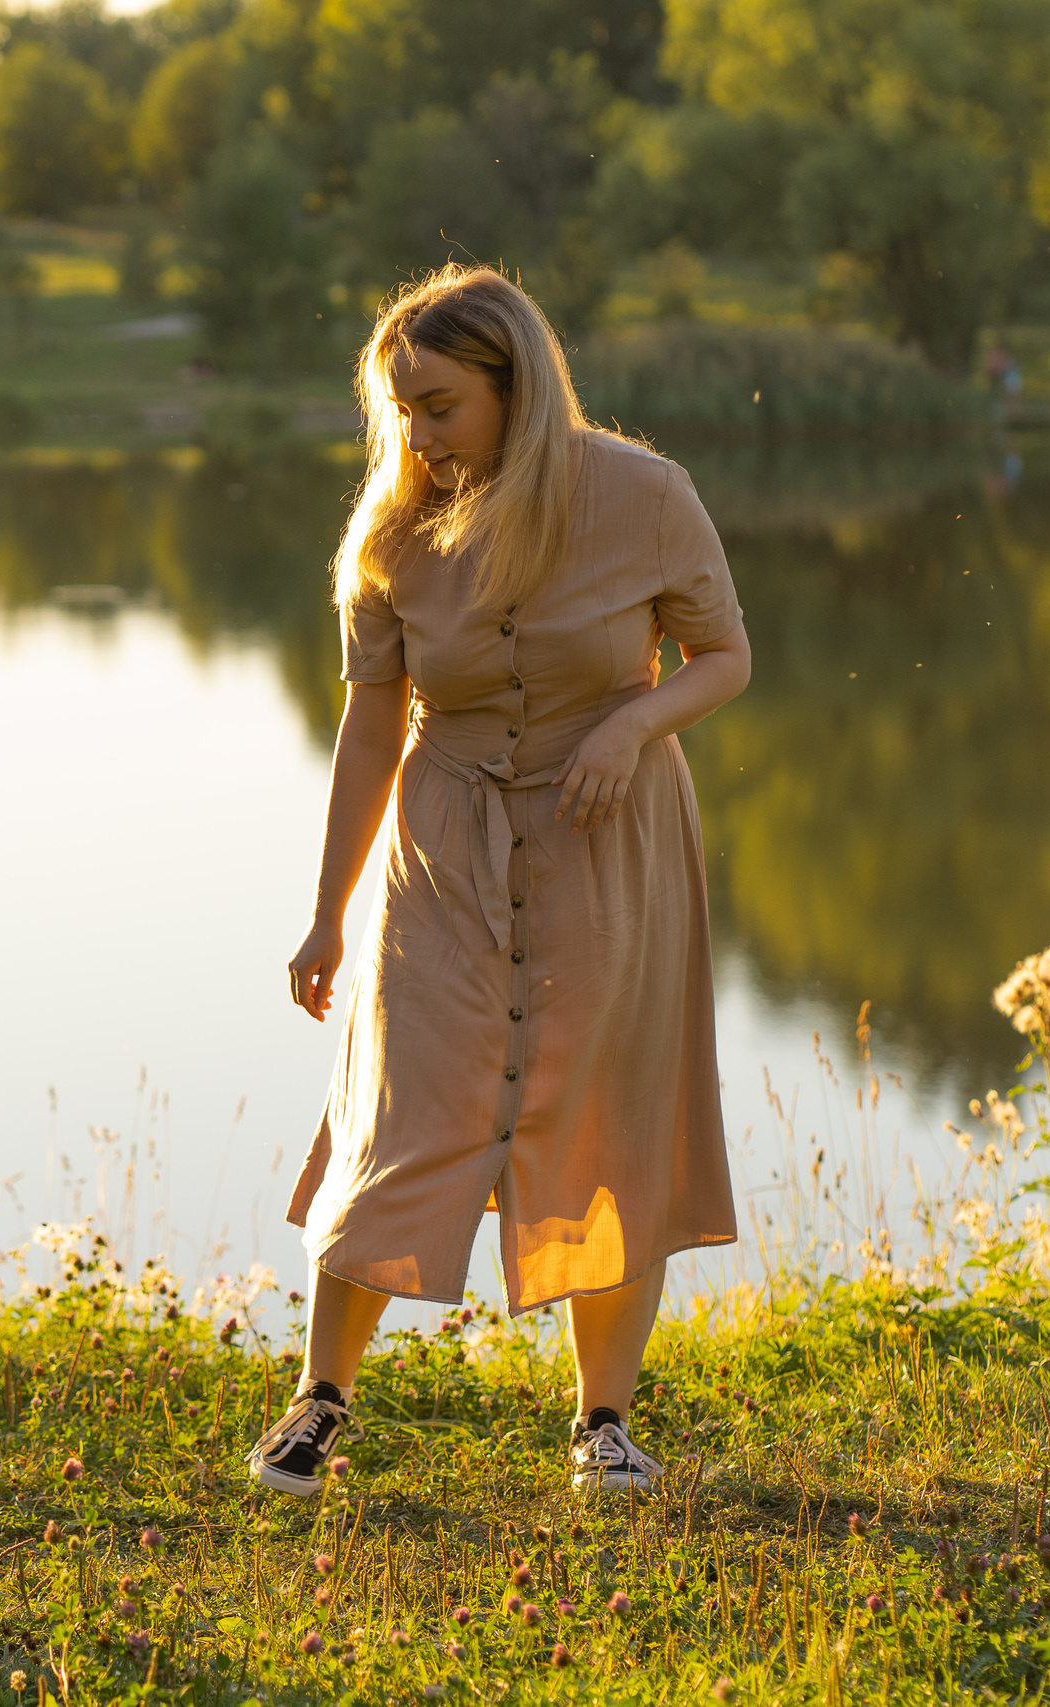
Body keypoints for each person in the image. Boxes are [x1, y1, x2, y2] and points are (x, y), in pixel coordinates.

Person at [250, 266, 752, 1499]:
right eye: (400, 410)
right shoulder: (393, 533)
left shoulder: (645, 496)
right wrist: (325, 912)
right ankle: (321, 1398)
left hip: (608, 842)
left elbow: (724, 656)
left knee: (606, 1117)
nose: (415, 436)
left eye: (439, 406)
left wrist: (631, 727)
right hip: (443, 844)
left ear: (515, 388)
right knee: (401, 1103)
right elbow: (371, 730)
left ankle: (605, 1422)